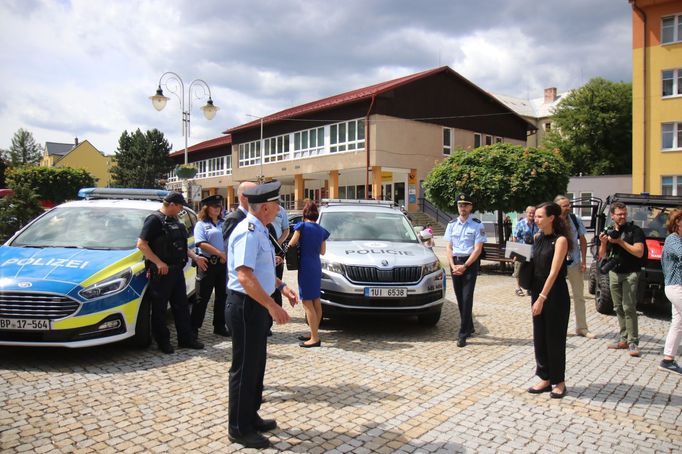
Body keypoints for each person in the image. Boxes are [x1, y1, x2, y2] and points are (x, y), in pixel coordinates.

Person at [226, 180, 298, 449]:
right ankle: (238, 428)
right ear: (266, 208)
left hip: (256, 303)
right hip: (247, 305)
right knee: (244, 368)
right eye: (278, 204)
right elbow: (244, 276)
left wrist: (282, 287)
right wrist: (272, 305)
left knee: (256, 365)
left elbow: (261, 270)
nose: (280, 209)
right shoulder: (249, 230)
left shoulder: (261, 229)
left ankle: (250, 415)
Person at [136, 192, 207, 354]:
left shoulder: (174, 220)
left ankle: (186, 339)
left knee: (181, 306)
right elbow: (141, 244)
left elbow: (180, 245)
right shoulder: (154, 220)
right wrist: (158, 262)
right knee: (160, 309)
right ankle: (163, 342)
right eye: (180, 207)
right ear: (172, 204)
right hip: (161, 272)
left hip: (177, 270)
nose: (181, 210)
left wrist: (195, 256)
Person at [526, 202, 571, 399]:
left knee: (554, 338)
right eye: (535, 217)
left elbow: (554, 272)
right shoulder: (537, 238)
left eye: (539, 217)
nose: (535, 220)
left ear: (551, 218)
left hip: (554, 294)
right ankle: (544, 377)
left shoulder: (560, 240)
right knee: (540, 336)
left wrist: (542, 298)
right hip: (537, 290)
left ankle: (558, 381)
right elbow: (534, 264)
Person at [599, 201, 646, 357]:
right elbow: (601, 255)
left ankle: (633, 342)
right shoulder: (610, 231)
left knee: (629, 307)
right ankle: (623, 339)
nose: (623, 216)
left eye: (624, 213)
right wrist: (604, 242)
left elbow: (639, 252)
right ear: (612, 215)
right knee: (618, 307)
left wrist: (620, 241)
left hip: (631, 273)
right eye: (619, 214)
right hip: (614, 273)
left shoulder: (635, 231)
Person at [445, 193, 486, 348]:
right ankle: (469, 326)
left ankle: (463, 333)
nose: (463, 208)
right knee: (460, 298)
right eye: (460, 205)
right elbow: (448, 247)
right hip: (455, 262)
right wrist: (452, 264)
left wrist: (465, 266)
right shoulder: (451, 224)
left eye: (466, 205)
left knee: (467, 297)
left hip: (469, 264)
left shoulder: (477, 225)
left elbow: (477, 250)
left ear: (471, 207)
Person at [287, 200, 330, 347]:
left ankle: (315, 338)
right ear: (316, 215)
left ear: (304, 214)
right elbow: (323, 251)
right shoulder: (321, 230)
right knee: (316, 300)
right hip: (316, 265)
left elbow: (291, 243)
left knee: (307, 302)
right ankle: (314, 332)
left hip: (305, 265)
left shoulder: (302, 226)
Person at [555, 195, 595, 339]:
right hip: (557, 264)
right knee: (557, 297)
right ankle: (558, 328)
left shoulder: (575, 220)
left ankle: (582, 327)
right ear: (557, 207)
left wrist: (584, 261)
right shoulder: (552, 221)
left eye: (569, 205)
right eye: (565, 205)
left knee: (579, 296)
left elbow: (583, 240)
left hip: (574, 262)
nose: (569, 207)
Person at [221, 181, 258, 337]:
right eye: (255, 194)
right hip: (239, 280)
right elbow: (230, 250)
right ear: (244, 197)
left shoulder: (250, 218)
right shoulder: (235, 218)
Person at [190, 194, 229, 338]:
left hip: (222, 264)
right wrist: (220, 254)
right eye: (214, 206)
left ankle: (219, 325)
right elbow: (200, 243)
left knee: (222, 296)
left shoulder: (224, 223)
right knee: (202, 297)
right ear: (207, 208)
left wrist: (225, 256)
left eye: (219, 206)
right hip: (207, 263)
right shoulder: (201, 224)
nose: (217, 209)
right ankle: (194, 328)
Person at [659, 208, 682, 374]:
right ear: (678, 223)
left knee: (678, 323)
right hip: (676, 286)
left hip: (677, 286)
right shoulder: (672, 239)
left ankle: (668, 359)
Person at [512, 206, 538, 296]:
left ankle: (530, 287)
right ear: (526, 213)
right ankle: (518, 288)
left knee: (532, 270)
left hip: (534, 250)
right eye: (530, 212)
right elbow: (514, 237)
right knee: (519, 269)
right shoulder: (520, 223)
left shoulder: (538, 223)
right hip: (522, 249)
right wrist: (515, 252)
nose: (531, 214)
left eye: (533, 213)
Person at [270, 204, 290, 308]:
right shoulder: (262, 208)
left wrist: (278, 242)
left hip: (278, 250)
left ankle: (277, 307)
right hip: (265, 249)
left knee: (278, 278)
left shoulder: (281, 210)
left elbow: (286, 230)